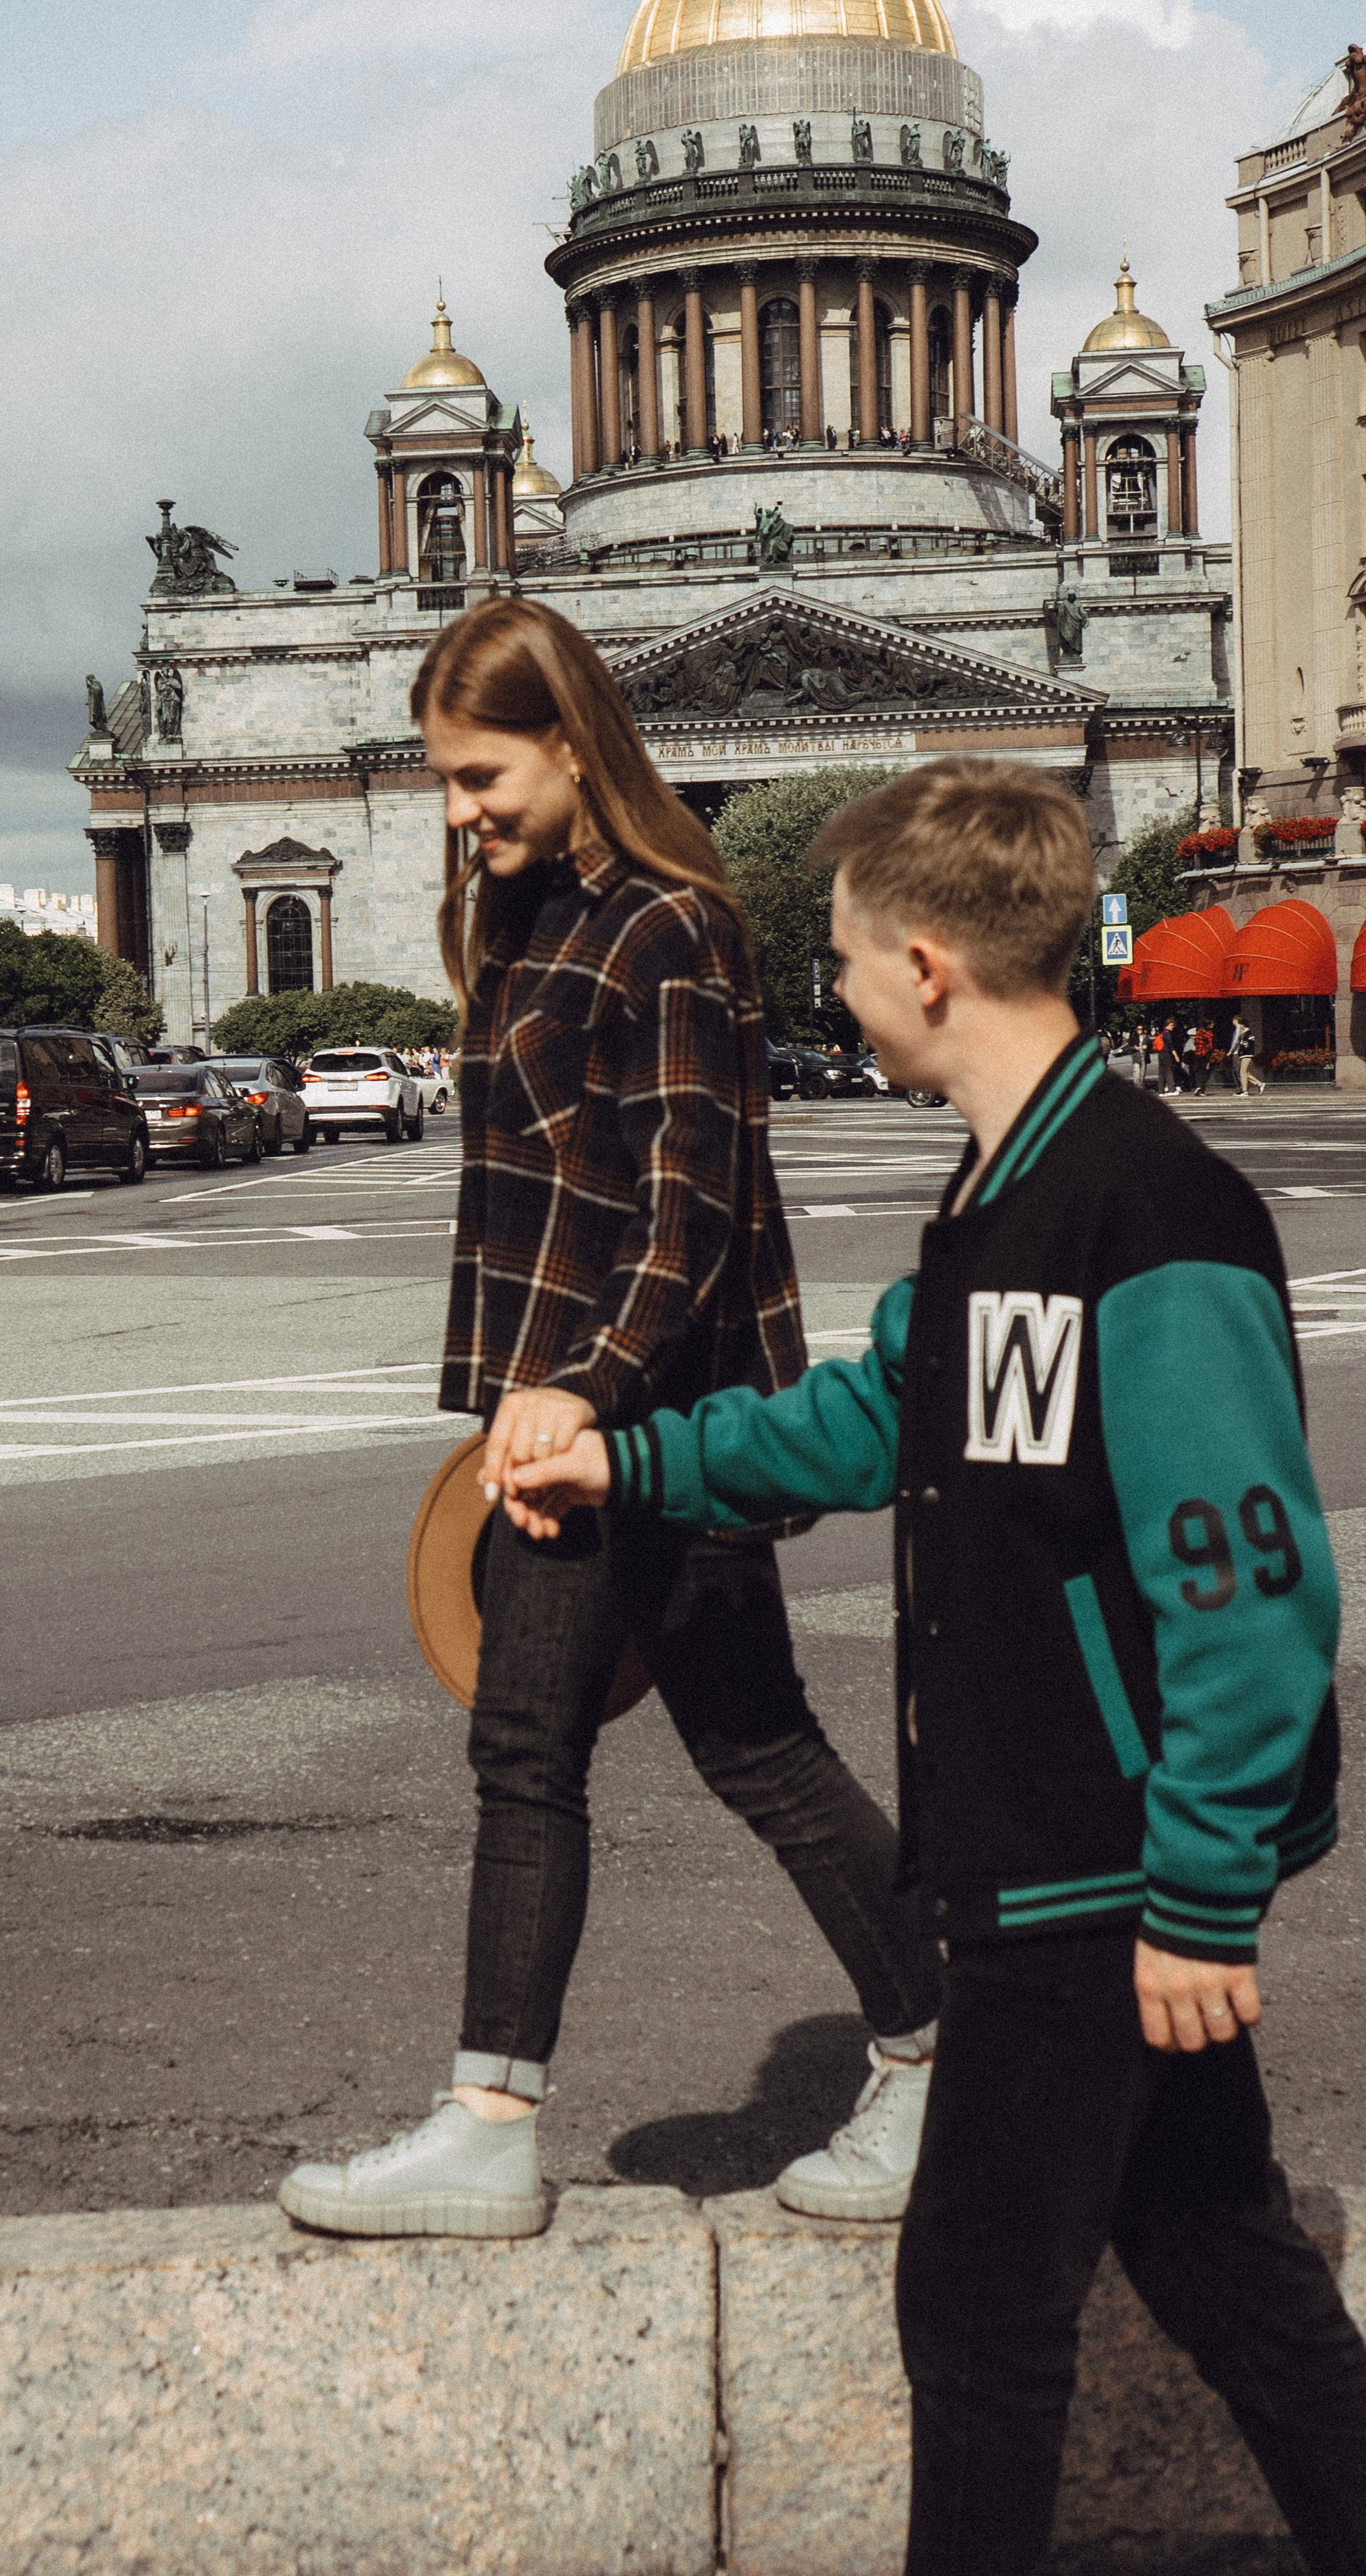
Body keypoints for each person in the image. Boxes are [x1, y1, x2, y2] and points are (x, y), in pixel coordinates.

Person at [506, 758, 1366, 2576]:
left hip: (1101, 1860)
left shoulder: (1147, 1213)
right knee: (1227, 2268)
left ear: (922, 962)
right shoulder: (1000, 1197)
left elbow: (1250, 1594)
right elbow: (866, 1420)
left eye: (833, 956)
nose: (824, 989)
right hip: (1054, 1849)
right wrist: (632, 1458)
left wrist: (1201, 1899)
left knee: (974, 2313)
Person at [276, 597, 942, 2242]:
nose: (457, 808)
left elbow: (684, 1212)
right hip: (569, 1406)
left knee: (527, 1746)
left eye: (478, 772)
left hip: (637, 1421)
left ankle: (490, 2123)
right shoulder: (526, 920)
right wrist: (523, 1390)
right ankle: (943, 2049)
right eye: (441, 779)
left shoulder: (667, 925)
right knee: (756, 1746)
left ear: (573, 746)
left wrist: (580, 1395)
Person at [1231, 1013, 1264, 1097]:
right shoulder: (1246, 1034)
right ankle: (1259, 1084)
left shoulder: (1247, 1034)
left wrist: (1241, 1052)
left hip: (1246, 1055)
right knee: (1246, 1073)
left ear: (1243, 1025)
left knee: (1242, 1072)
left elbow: (1246, 1045)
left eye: (1241, 1025)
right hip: (1246, 1055)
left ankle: (1245, 1091)